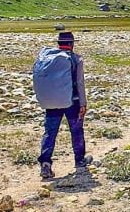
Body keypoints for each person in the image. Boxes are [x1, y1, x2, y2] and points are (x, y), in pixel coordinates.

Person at [37, 31, 92, 179]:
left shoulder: (49, 58)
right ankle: (79, 160)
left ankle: (45, 164)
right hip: (72, 101)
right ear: (71, 44)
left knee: (50, 132)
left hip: (51, 101)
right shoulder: (76, 59)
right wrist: (83, 103)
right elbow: (80, 83)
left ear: (59, 43)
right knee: (76, 131)